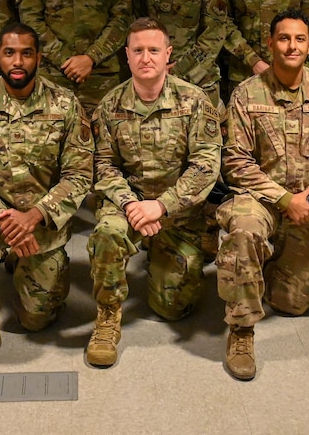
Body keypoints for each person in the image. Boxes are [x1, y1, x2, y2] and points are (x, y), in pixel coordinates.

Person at [216, 9, 309, 380]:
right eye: (283, 38)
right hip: (261, 201)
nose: (291, 45)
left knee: (293, 303)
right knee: (245, 229)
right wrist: (284, 199)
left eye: (299, 39)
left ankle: (271, 261)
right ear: (271, 43)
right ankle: (241, 329)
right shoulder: (247, 94)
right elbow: (235, 161)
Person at [0, 23, 94, 375]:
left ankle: (23, 263)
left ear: (38, 58)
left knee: (36, 320)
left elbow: (79, 173)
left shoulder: (64, 103)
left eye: (26, 53)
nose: (18, 61)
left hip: (41, 222)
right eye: (10, 53)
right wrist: (4, 217)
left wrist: (35, 216)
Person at [86, 19, 222, 368]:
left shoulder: (193, 100)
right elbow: (102, 164)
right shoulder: (110, 104)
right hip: (127, 206)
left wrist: (161, 206)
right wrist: (132, 205)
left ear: (168, 55)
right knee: (107, 232)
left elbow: (206, 164)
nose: (146, 57)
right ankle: (107, 314)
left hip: (177, 211)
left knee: (173, 309)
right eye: (138, 50)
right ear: (127, 56)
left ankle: (161, 252)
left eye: (154, 50)